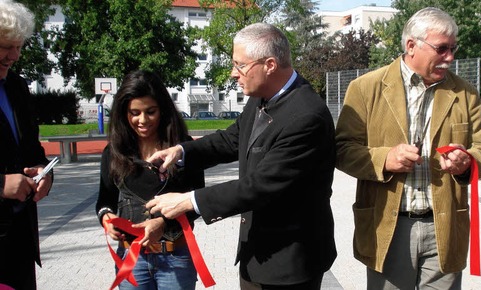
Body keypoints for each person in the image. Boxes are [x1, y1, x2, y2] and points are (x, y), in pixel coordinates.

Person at [145, 23, 337, 289]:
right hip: (258, 254)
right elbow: (233, 137)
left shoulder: (306, 116)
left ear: (269, 64)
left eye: (240, 65)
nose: (234, 73)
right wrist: (183, 151)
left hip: (290, 262)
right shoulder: (262, 95)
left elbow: (260, 185)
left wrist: (189, 201)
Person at [335, 7, 481, 290]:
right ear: (411, 46)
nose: (450, 58)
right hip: (389, 226)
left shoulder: (466, 93)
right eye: (442, 48)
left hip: (444, 228)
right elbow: (342, 150)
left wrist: (467, 162)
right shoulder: (365, 88)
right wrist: (385, 159)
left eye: (453, 48)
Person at [96, 70, 205, 289]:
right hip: (131, 258)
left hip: (175, 259)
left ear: (163, 110)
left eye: (150, 112)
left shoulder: (183, 149)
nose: (142, 120)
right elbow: (104, 200)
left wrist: (163, 222)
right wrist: (106, 218)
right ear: (123, 113)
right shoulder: (114, 152)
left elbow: (197, 202)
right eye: (134, 112)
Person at [0, 1, 55, 289]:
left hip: (19, 240)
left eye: (19, 46)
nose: (14, 55)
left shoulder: (17, 87)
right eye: (6, 46)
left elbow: (33, 151)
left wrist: (45, 174)